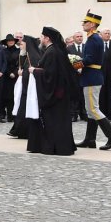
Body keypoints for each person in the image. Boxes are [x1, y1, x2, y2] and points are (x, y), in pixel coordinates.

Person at [75, 11, 111, 150]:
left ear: (92, 24)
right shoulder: (94, 38)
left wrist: (75, 64)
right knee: (91, 110)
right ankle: (90, 140)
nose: (83, 25)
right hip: (92, 77)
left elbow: (89, 59)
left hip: (91, 77)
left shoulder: (93, 39)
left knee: (93, 109)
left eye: (86, 23)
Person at [33, 26, 77, 156]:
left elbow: (51, 75)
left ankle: (56, 147)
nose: (40, 39)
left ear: (47, 38)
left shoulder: (52, 52)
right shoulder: (56, 50)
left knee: (55, 122)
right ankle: (64, 146)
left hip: (55, 94)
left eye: (42, 36)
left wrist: (35, 71)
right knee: (62, 121)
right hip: (60, 93)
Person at [8, 34, 43, 143]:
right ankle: (19, 130)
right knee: (22, 109)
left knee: (24, 109)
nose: (20, 46)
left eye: (22, 44)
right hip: (25, 88)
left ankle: (21, 131)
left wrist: (23, 73)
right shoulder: (26, 55)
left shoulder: (34, 56)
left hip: (30, 89)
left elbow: (34, 71)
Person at [98, 28, 111, 121]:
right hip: (100, 74)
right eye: (105, 33)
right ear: (101, 35)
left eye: (109, 33)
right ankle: (102, 115)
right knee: (101, 94)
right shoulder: (98, 44)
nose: (107, 35)